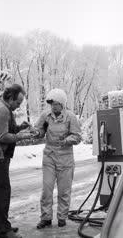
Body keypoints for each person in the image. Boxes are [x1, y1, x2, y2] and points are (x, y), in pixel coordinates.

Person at [0, 84, 32, 238]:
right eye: (18, 103)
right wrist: (22, 136)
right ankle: (2, 230)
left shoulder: (4, 107)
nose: (19, 106)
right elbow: (2, 136)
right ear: (10, 98)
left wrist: (20, 127)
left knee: (1, 191)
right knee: (0, 192)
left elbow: (7, 129)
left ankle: (2, 225)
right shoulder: (2, 110)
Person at [32, 88, 81, 229]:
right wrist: (36, 132)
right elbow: (39, 131)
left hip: (65, 158)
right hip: (49, 156)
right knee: (46, 189)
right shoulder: (46, 115)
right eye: (51, 104)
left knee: (64, 191)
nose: (53, 106)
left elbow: (77, 136)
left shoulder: (70, 117)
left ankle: (62, 217)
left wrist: (66, 140)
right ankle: (46, 218)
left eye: (56, 104)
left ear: (62, 104)